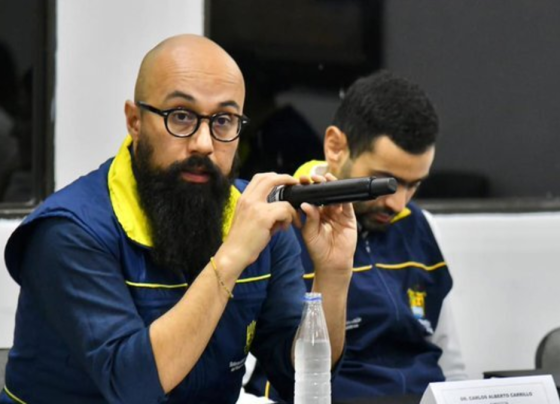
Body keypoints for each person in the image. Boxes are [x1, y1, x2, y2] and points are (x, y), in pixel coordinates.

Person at [0, 34, 357, 404]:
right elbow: (132, 386)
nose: (204, 143)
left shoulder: (259, 219)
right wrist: (231, 257)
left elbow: (298, 377)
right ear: (135, 121)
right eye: (181, 117)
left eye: (223, 120)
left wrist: (333, 274)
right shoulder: (69, 231)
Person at [246, 70, 467, 401]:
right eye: (384, 183)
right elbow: (245, 378)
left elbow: (452, 367)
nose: (398, 203)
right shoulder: (274, 226)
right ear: (336, 147)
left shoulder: (422, 227)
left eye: (414, 185)